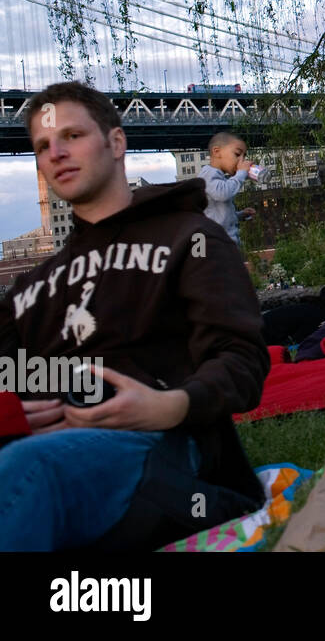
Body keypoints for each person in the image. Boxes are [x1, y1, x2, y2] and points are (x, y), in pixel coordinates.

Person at [0, 81, 269, 550]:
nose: (57, 152)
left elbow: (241, 359)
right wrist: (13, 410)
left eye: (72, 136)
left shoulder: (191, 238)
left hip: (163, 445)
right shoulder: (30, 287)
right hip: (48, 444)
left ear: (117, 142)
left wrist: (168, 405)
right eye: (43, 146)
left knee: (28, 470)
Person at [200, 131, 259, 244]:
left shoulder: (218, 176)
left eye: (244, 156)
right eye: (237, 154)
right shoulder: (208, 174)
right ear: (217, 152)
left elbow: (220, 217)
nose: (241, 160)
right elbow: (223, 194)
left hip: (226, 243)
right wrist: (241, 173)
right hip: (218, 244)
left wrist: (240, 215)